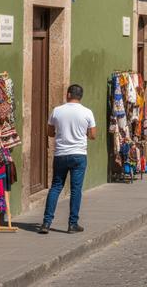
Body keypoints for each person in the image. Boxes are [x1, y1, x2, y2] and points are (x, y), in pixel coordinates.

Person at [38, 84, 96, 234]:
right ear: (80, 96)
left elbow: (50, 132)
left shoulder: (57, 111)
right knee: (76, 190)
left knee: (56, 187)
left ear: (68, 94)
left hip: (61, 155)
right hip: (79, 155)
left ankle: (46, 223)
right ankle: (72, 224)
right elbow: (93, 135)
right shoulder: (87, 112)